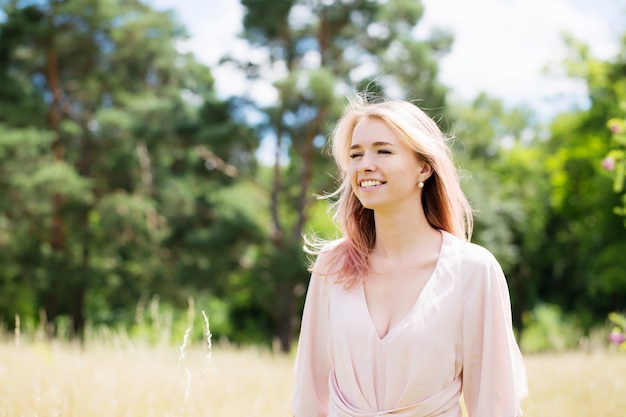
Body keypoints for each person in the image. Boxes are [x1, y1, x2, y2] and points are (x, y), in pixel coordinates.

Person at [292, 95, 528, 417]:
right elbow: (310, 396)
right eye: (355, 154)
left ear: (424, 167)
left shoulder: (473, 270)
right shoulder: (332, 266)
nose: (364, 165)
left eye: (383, 151)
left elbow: (494, 404)